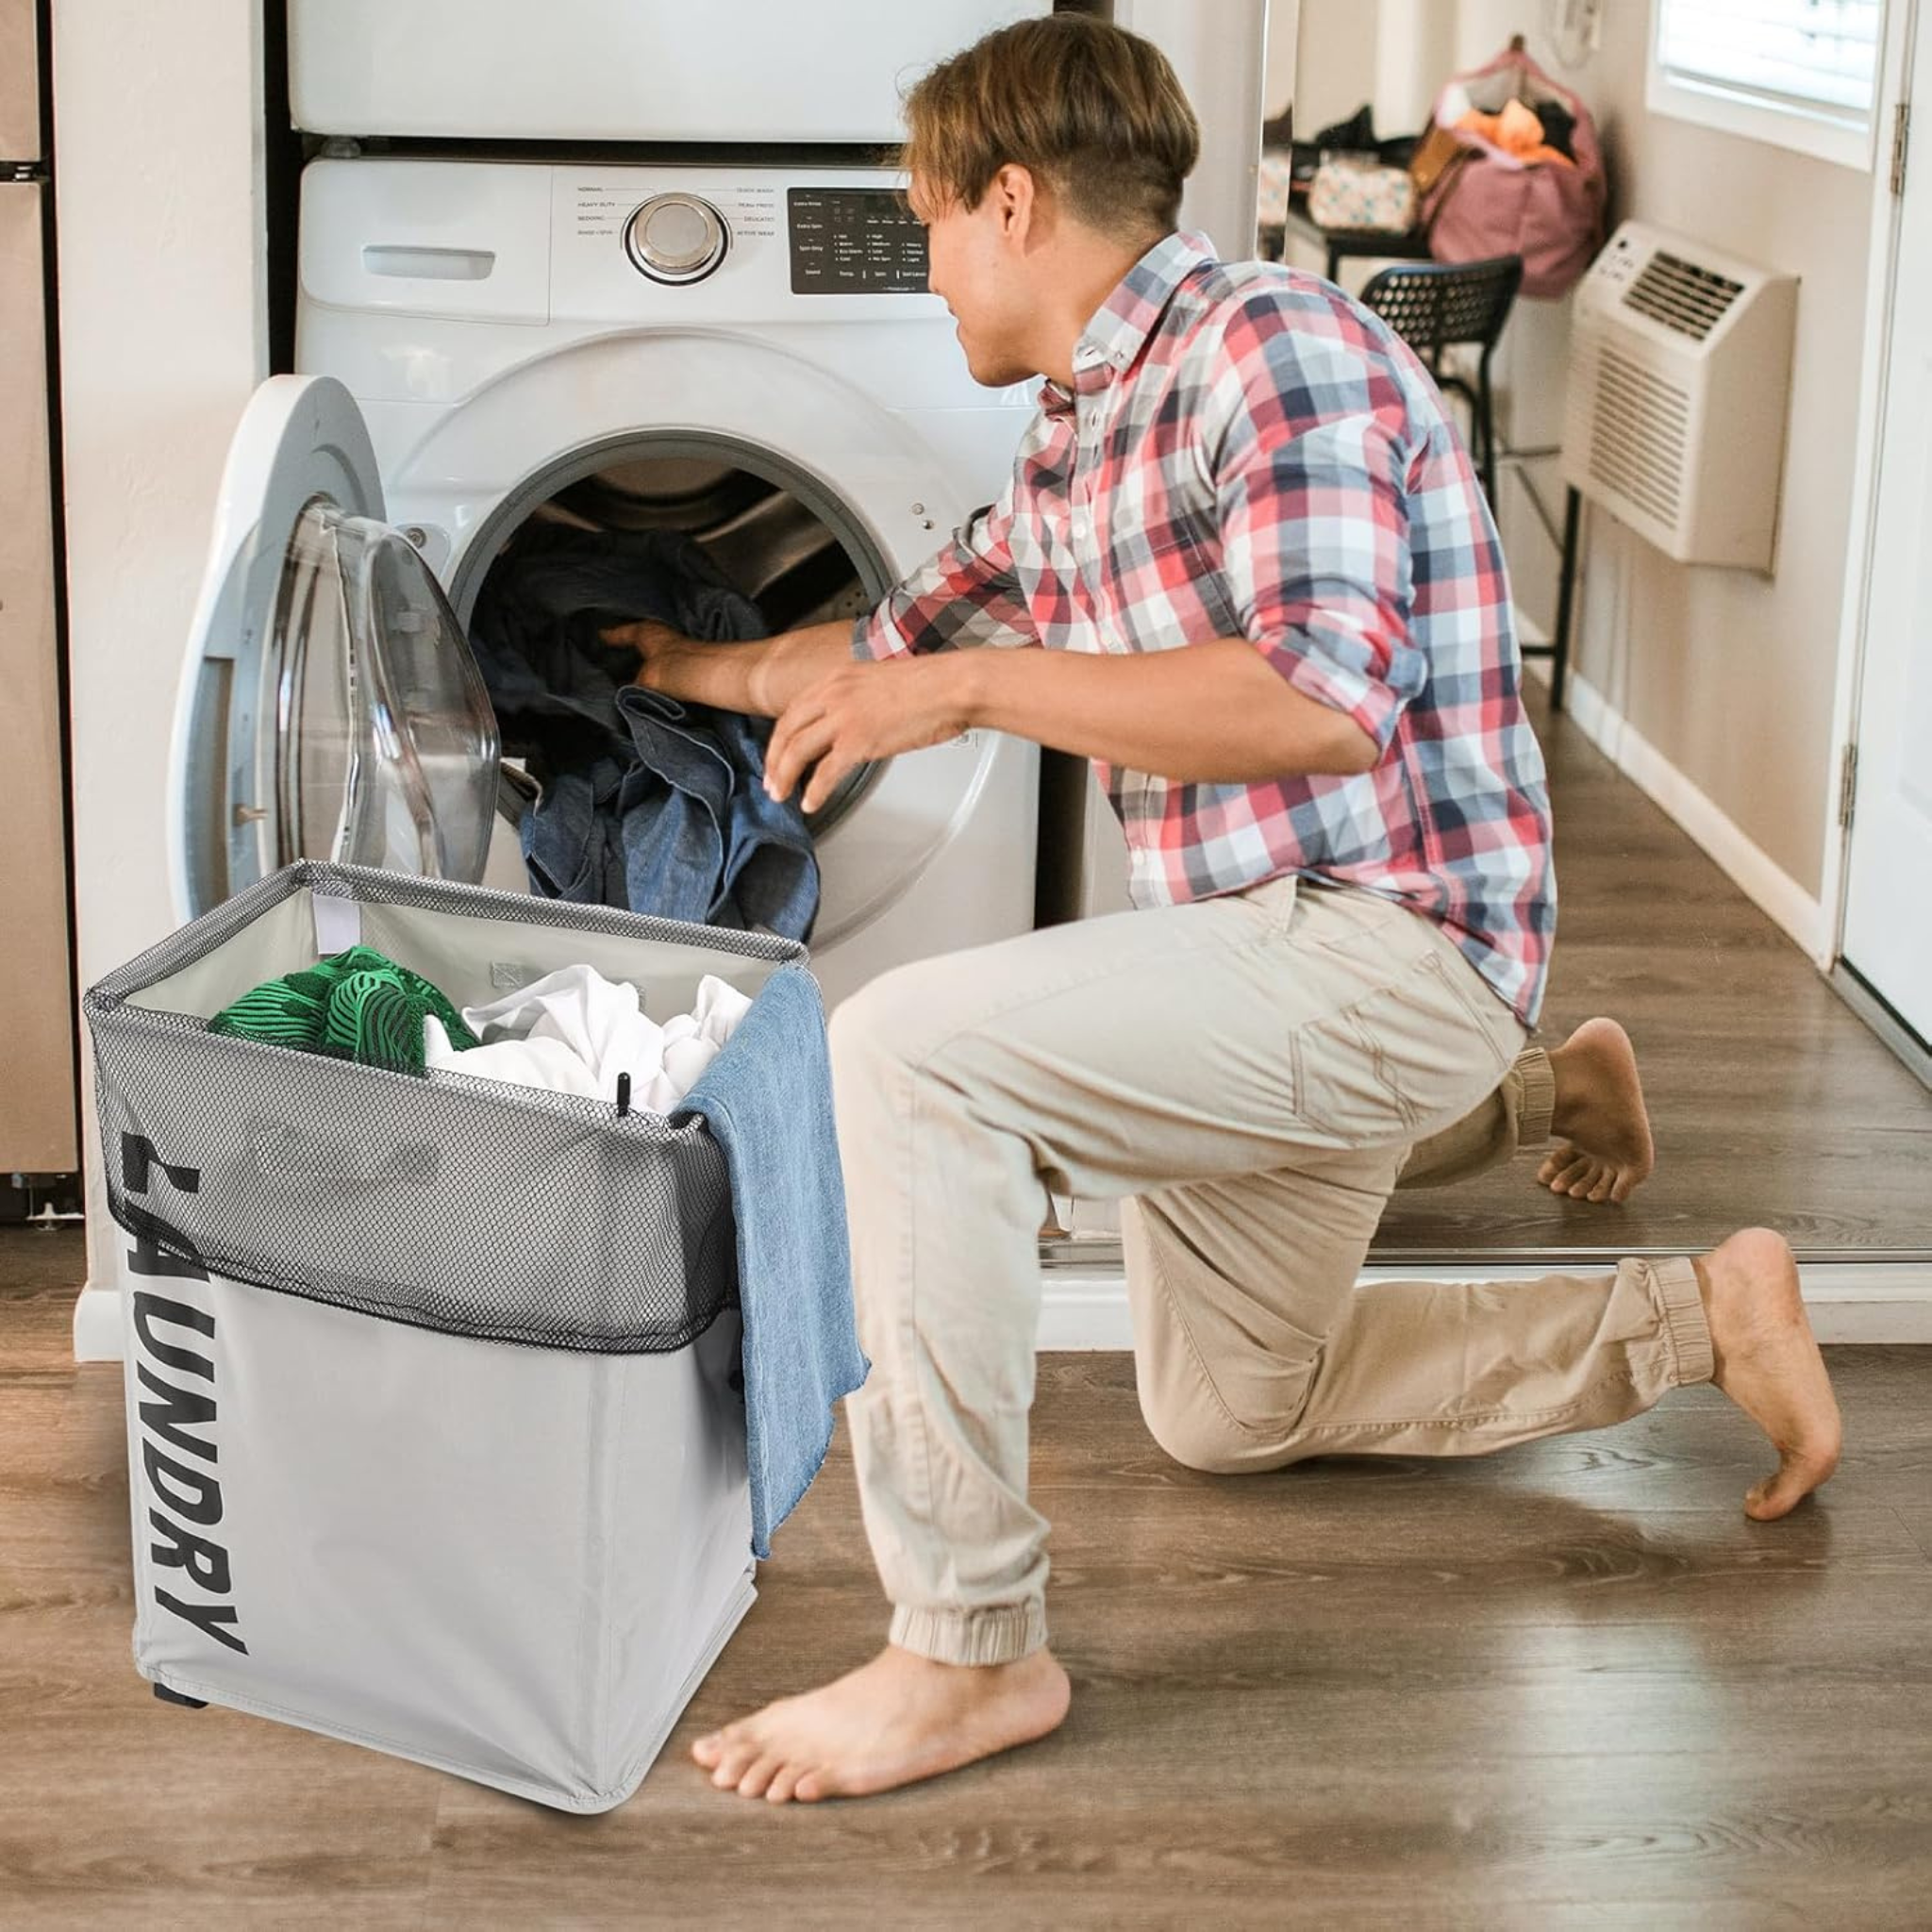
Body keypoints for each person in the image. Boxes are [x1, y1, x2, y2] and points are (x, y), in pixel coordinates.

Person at [602, 13, 1841, 1807]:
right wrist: (683, 664)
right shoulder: (1074, 436)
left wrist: (969, 696)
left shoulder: (1277, 350)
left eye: (930, 221)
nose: (926, 264)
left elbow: (1318, 695)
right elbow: (887, 646)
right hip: (1268, 960)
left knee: (903, 1060)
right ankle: (1676, 1293)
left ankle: (966, 1651)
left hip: (1384, 942)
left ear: (1011, 203)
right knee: (1226, 1413)